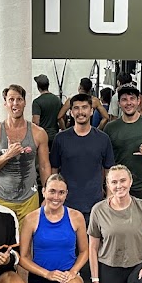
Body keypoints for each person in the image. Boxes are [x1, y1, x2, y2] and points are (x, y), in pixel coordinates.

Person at [0, 84, 51, 225]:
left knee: (28, 238)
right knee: (3, 237)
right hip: (2, 198)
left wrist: (48, 194)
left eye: (19, 99)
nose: (15, 103)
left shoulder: (38, 133)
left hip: (29, 198)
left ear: (25, 103)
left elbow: (44, 166)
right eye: (11, 100)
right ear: (5, 104)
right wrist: (8, 155)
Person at [49, 92, 114, 224]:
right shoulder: (60, 139)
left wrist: (109, 198)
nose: (80, 112)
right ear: (71, 112)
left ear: (91, 111)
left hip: (95, 205)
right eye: (76, 108)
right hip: (66, 204)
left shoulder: (103, 139)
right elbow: (54, 170)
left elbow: (109, 171)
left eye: (84, 107)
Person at [31, 73, 62, 145]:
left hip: (43, 137)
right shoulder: (57, 100)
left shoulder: (37, 102)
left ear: (38, 87)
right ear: (48, 85)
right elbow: (62, 117)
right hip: (55, 136)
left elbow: (36, 122)